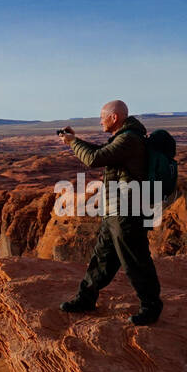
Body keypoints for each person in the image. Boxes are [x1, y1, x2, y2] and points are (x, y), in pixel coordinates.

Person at [57, 100, 163, 325]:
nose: (100, 121)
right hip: (116, 209)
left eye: (102, 117)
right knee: (102, 257)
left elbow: (94, 159)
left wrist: (73, 142)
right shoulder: (126, 137)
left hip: (129, 210)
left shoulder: (129, 139)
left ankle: (151, 306)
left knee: (135, 259)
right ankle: (86, 298)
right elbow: (102, 153)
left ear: (114, 118)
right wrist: (76, 141)